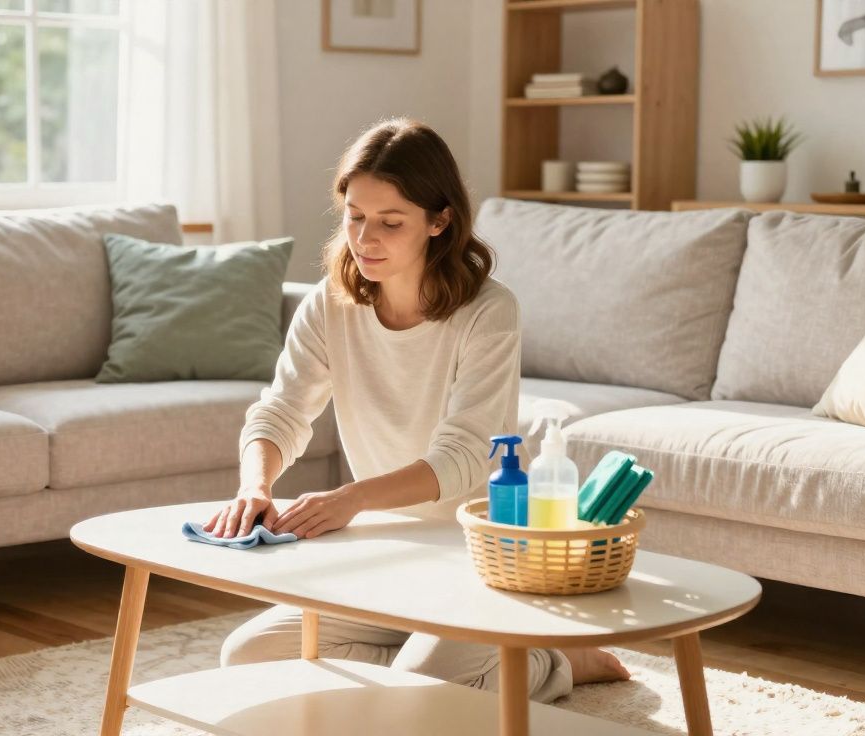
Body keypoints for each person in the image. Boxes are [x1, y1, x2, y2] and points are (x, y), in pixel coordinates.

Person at [201, 117, 630, 702]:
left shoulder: (488, 311)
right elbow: (280, 412)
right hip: (383, 555)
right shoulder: (329, 305)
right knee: (248, 656)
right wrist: (255, 486)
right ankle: (433, 659)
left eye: (390, 222)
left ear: (439, 220)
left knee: (422, 692)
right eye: (355, 216)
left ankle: (553, 660)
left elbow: (463, 457)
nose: (365, 238)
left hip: (481, 559)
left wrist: (351, 498)